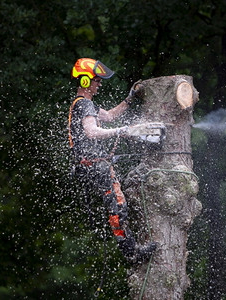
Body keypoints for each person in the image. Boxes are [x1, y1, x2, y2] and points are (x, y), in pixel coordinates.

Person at [68, 58, 157, 264]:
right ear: (85, 81)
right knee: (117, 206)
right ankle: (131, 253)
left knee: (119, 203)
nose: (99, 85)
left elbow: (108, 116)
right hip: (95, 166)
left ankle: (131, 249)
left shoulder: (86, 105)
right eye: (96, 81)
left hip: (95, 165)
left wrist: (129, 99)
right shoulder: (83, 104)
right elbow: (91, 132)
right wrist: (121, 131)